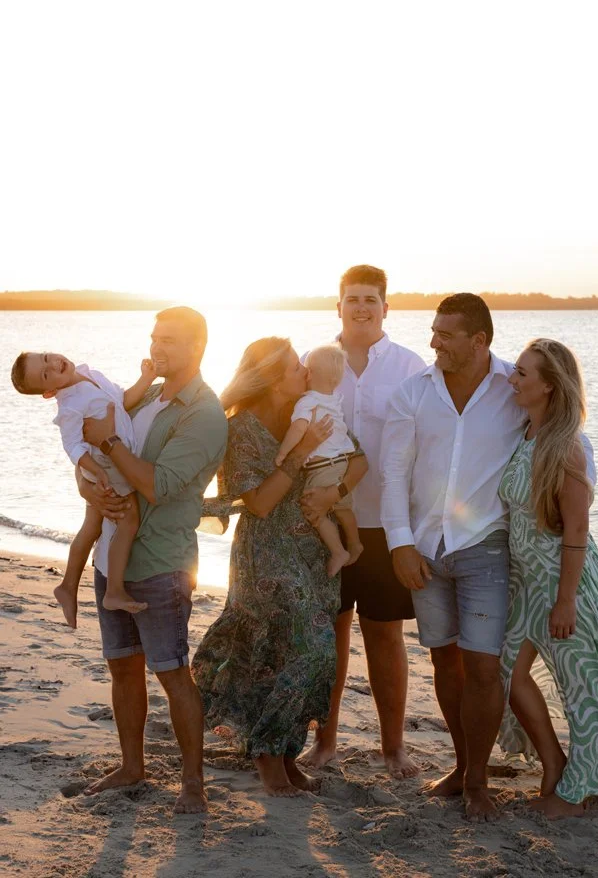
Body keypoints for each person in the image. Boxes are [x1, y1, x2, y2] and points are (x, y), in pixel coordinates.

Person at [380, 293, 595, 820]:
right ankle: (462, 766)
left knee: (483, 668)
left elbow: (557, 436)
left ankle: (477, 782)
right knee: (444, 662)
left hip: (486, 548)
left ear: (479, 341)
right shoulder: (412, 392)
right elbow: (392, 474)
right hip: (425, 551)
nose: (433, 342)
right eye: (433, 331)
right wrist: (400, 544)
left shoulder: (512, 389)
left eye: (445, 334)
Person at [192, 338, 369, 796]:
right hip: (265, 555)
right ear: (273, 380)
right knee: (291, 651)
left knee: (307, 652)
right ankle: (269, 757)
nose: (306, 374)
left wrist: (335, 492)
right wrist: (300, 450)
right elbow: (263, 503)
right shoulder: (243, 430)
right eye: (296, 369)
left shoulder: (314, 411)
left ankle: (286, 753)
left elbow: (360, 457)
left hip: (313, 548)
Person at [73, 306, 228, 814]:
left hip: (161, 562)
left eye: (171, 341)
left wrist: (110, 440)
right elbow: (92, 459)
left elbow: (158, 487)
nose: (158, 348)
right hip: (111, 558)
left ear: (197, 348)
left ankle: (192, 783)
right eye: (155, 337)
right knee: (122, 669)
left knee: (172, 672)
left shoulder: (202, 413)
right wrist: (87, 484)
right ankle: (132, 765)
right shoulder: (143, 398)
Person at [497, 339, 598, 819]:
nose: (512, 380)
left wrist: (566, 601)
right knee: (509, 675)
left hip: (567, 584)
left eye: (521, 374)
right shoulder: (525, 435)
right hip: (526, 586)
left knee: (587, 691)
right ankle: (554, 763)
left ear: (550, 386)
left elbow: (577, 529)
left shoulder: (567, 447)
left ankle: (580, 794)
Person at [300, 265, 426, 778]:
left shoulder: (410, 367)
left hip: (383, 524)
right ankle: (324, 744)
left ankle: (393, 747)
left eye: (371, 299)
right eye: (352, 298)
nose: (361, 307)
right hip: (321, 523)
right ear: (338, 306)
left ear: (385, 308)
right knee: (329, 634)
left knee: (384, 635)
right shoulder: (313, 362)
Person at [10, 351, 157, 624]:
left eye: (45, 357)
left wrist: (146, 378)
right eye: (45, 374)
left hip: (104, 463)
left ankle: (67, 587)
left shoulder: (91, 374)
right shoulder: (69, 407)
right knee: (129, 521)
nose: (53, 364)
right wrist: (97, 470)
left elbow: (121, 401)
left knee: (91, 526)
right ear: (49, 391)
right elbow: (73, 447)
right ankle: (113, 590)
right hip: (106, 464)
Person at [275, 343, 363, 577]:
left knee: (314, 509)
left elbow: (298, 428)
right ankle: (354, 542)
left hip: (322, 465)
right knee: (343, 507)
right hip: (341, 461)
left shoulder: (308, 401)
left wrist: (284, 453)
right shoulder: (333, 399)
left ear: (310, 374)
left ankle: (338, 551)